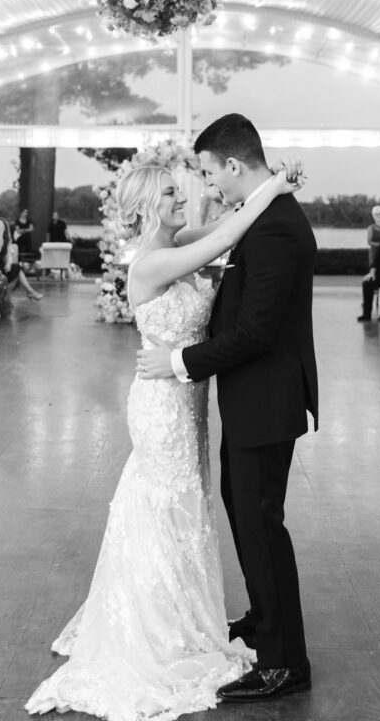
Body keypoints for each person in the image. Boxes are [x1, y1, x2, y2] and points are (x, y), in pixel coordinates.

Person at [26, 144, 306, 717]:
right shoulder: (149, 263)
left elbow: (224, 223)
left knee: (188, 507)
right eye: (174, 193)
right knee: (165, 506)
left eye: (185, 187)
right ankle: (157, 626)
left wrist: (269, 181)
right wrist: (272, 189)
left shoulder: (172, 245)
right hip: (161, 402)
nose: (186, 196)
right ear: (149, 207)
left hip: (187, 400)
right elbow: (226, 239)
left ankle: (181, 614)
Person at [136, 113, 317, 704]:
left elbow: (258, 331)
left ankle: (284, 663)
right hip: (247, 400)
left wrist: (182, 362)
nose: (208, 188)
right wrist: (272, 187)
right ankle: (266, 623)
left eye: (212, 174)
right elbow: (220, 240)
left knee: (261, 525)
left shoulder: (277, 229)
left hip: (264, 397)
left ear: (234, 166)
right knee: (245, 513)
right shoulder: (264, 220)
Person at [0, 217, 43, 300]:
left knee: (17, 268)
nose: (0, 227)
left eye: (2, 225)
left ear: (5, 226)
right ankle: (29, 292)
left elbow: (7, 254)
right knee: (18, 273)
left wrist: (8, 263)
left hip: (2, 266)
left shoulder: (6, 239)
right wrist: (0, 234)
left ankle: (29, 291)